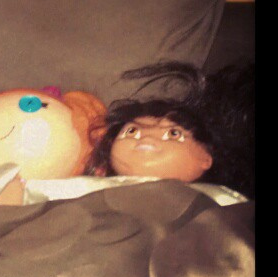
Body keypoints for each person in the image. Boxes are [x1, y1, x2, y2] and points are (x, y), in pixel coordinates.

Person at [85, 61, 255, 199]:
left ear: (206, 158)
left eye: (173, 134)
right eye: (132, 132)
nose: (147, 139)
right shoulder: (92, 186)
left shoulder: (220, 199)